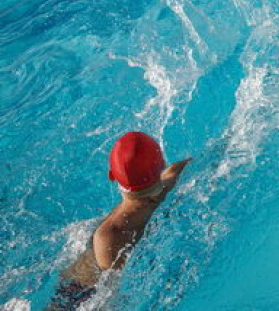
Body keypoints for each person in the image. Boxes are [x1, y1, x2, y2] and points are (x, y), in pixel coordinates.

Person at [48, 132, 190, 310]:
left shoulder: (108, 235)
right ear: (162, 163)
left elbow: (108, 298)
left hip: (78, 294)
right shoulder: (177, 174)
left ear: (112, 176)